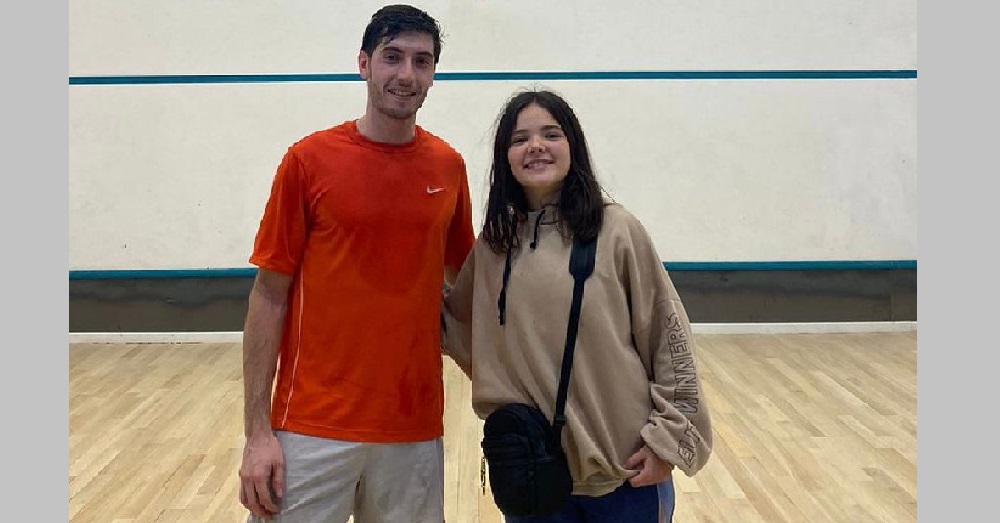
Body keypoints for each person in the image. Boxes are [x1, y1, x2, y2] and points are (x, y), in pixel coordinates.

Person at [238, 5, 475, 522]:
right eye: (392, 57)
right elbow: (269, 295)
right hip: (310, 426)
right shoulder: (308, 161)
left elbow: (468, 288)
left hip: (413, 430)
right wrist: (257, 433)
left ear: (433, 74)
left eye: (421, 61)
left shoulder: (448, 168)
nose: (406, 74)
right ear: (364, 63)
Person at [442, 89, 713, 522]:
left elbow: (669, 340)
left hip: (625, 476)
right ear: (505, 157)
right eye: (519, 139)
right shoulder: (495, 244)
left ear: (573, 146)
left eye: (551, 134)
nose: (536, 146)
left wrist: (668, 441)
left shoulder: (618, 231)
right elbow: (452, 325)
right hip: (533, 479)